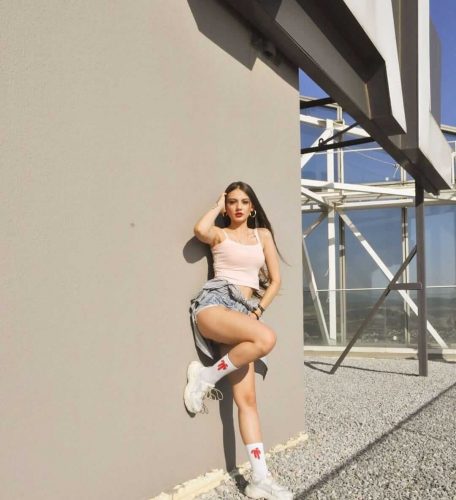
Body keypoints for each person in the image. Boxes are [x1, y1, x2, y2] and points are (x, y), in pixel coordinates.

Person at [184, 181, 293, 500]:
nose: (238, 207)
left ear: (252, 207)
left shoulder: (263, 236)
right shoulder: (220, 234)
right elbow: (199, 229)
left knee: (247, 402)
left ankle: (259, 478)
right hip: (214, 305)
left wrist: (257, 311)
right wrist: (216, 206)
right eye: (232, 202)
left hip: (244, 312)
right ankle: (205, 377)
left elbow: (276, 280)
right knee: (266, 338)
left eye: (244, 201)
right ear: (226, 206)